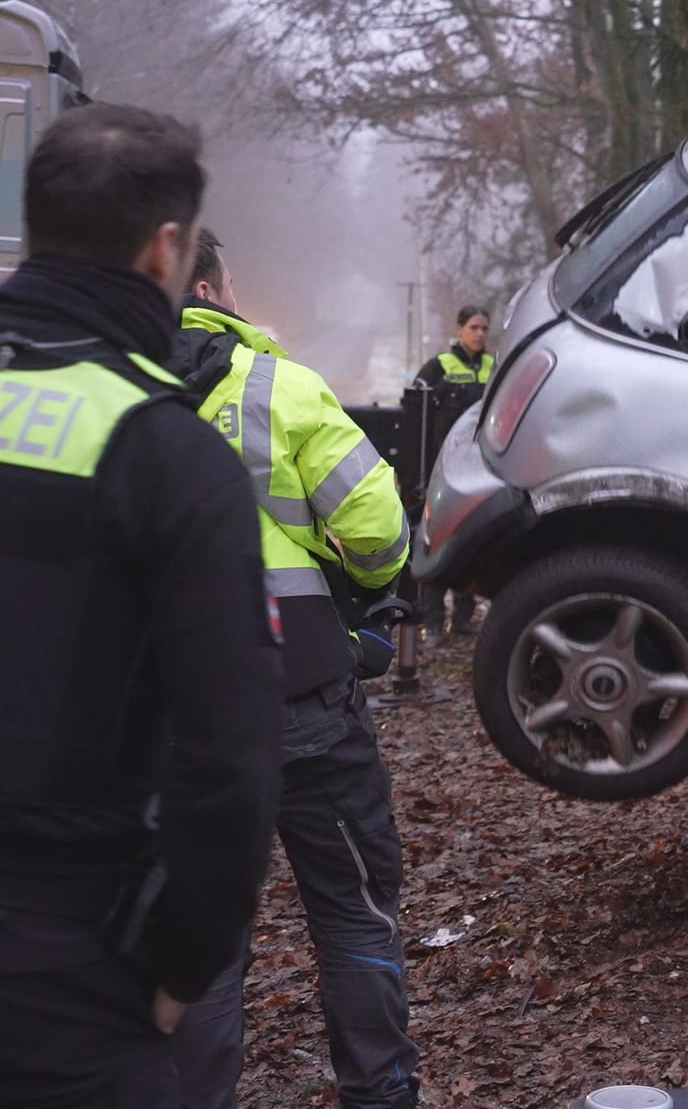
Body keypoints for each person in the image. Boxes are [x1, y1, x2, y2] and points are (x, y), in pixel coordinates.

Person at [0, 104, 282, 1105]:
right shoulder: (169, 456)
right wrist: (178, 972)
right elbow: (230, 763)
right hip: (69, 967)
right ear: (166, 249)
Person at [169, 229, 419, 1109]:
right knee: (352, 912)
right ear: (207, 284)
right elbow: (380, 529)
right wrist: (360, 588)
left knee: (198, 939)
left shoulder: (110, 398)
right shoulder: (279, 386)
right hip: (304, 701)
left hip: (177, 729)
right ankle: (379, 1095)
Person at [410, 304, 491, 641]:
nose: (480, 334)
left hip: (479, 467)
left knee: (470, 542)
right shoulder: (441, 366)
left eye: (485, 328)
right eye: (474, 327)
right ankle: (432, 622)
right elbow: (417, 407)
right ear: (459, 329)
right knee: (437, 541)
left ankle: (462, 617)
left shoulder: (493, 365)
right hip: (443, 466)